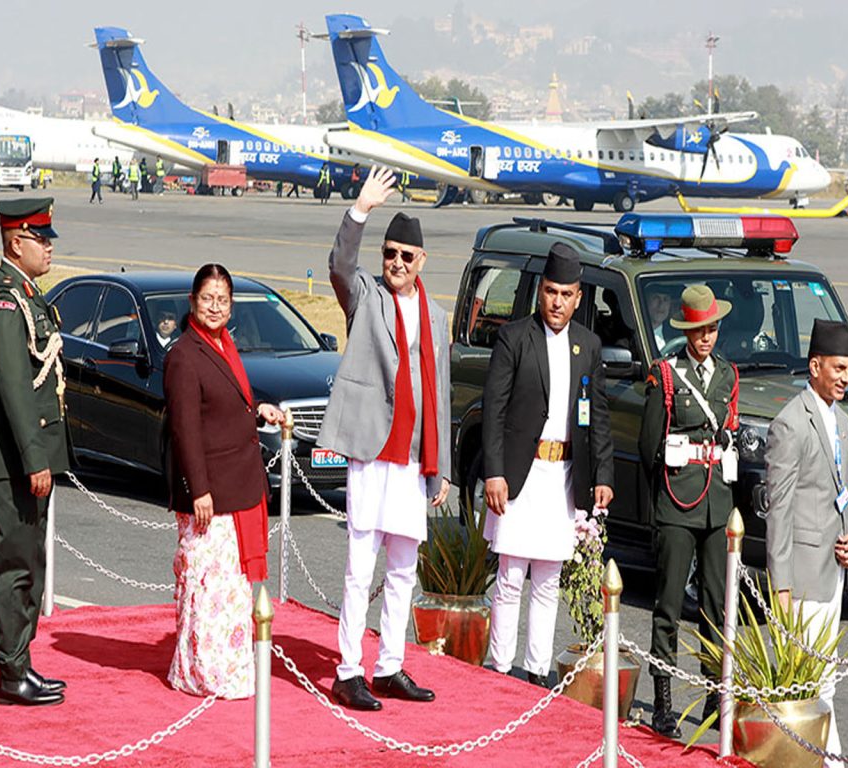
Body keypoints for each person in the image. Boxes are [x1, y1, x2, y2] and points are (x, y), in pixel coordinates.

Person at [317, 166, 451, 712]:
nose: (396, 262)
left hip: (414, 459)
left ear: (422, 261)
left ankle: (390, 665)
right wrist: (361, 210)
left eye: (405, 255)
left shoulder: (435, 315)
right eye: (390, 253)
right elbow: (339, 265)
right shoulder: (365, 296)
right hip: (373, 452)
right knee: (360, 567)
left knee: (403, 569)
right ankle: (348, 670)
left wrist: (440, 468)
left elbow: (440, 392)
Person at [482, 242, 615, 687]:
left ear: (579, 297)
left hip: (564, 476)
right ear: (541, 291)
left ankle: (536, 672)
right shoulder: (514, 337)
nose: (557, 302)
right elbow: (494, 410)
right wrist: (494, 472)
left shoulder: (588, 345)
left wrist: (603, 475)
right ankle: (500, 668)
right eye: (551, 292)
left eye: (566, 294)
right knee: (510, 576)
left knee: (548, 579)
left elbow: (597, 415)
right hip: (520, 473)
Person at [163, 263, 284, 699]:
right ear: (192, 302)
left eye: (222, 300)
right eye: (207, 299)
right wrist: (199, 489)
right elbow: (186, 430)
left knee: (231, 590)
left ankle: (228, 668)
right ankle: (203, 673)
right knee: (207, 589)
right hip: (211, 495)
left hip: (236, 487)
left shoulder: (224, 344)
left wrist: (258, 410)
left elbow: (226, 403)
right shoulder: (184, 355)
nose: (215, 308)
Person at [0, 198, 69, 706]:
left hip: (24, 460)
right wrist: (35, 459)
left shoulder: (27, 294)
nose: (49, 247)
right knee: (15, 565)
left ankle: (19, 663)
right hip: (10, 463)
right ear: (15, 243)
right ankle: (10, 673)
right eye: (40, 239)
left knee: (31, 562)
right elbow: (13, 387)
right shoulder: (5, 300)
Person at [638, 284, 740, 738]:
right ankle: (663, 703)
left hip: (716, 504)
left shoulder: (728, 375)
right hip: (677, 503)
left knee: (716, 603)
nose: (706, 338)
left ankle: (714, 696)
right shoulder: (666, 374)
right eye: (699, 331)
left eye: (712, 329)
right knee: (669, 604)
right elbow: (648, 445)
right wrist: (657, 506)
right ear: (686, 330)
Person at [765, 318, 848, 768]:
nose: (846, 378)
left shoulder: (842, 421)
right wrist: (781, 587)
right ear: (815, 366)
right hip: (804, 577)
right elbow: (779, 511)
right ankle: (829, 760)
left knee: (826, 680)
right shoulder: (791, 423)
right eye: (838, 369)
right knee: (807, 684)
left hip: (835, 573)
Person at [646, 287, 675, 354]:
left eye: (666, 299)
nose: (661, 305)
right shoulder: (634, 337)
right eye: (656, 298)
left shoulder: (676, 335)